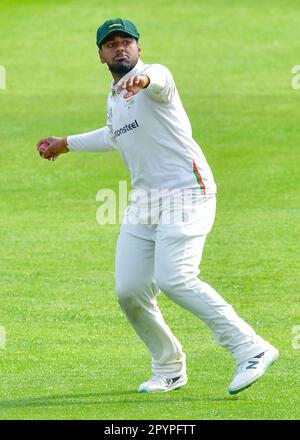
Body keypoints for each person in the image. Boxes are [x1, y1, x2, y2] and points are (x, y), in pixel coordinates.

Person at [37, 18, 279, 394]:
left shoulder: (152, 79)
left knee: (176, 278)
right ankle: (168, 367)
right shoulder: (115, 97)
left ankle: (252, 347)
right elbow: (115, 135)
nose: (120, 47)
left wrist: (144, 81)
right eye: (111, 44)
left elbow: (161, 79)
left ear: (139, 48)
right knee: (130, 290)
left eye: (127, 41)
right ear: (100, 55)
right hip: (145, 201)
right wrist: (66, 142)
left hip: (188, 192)